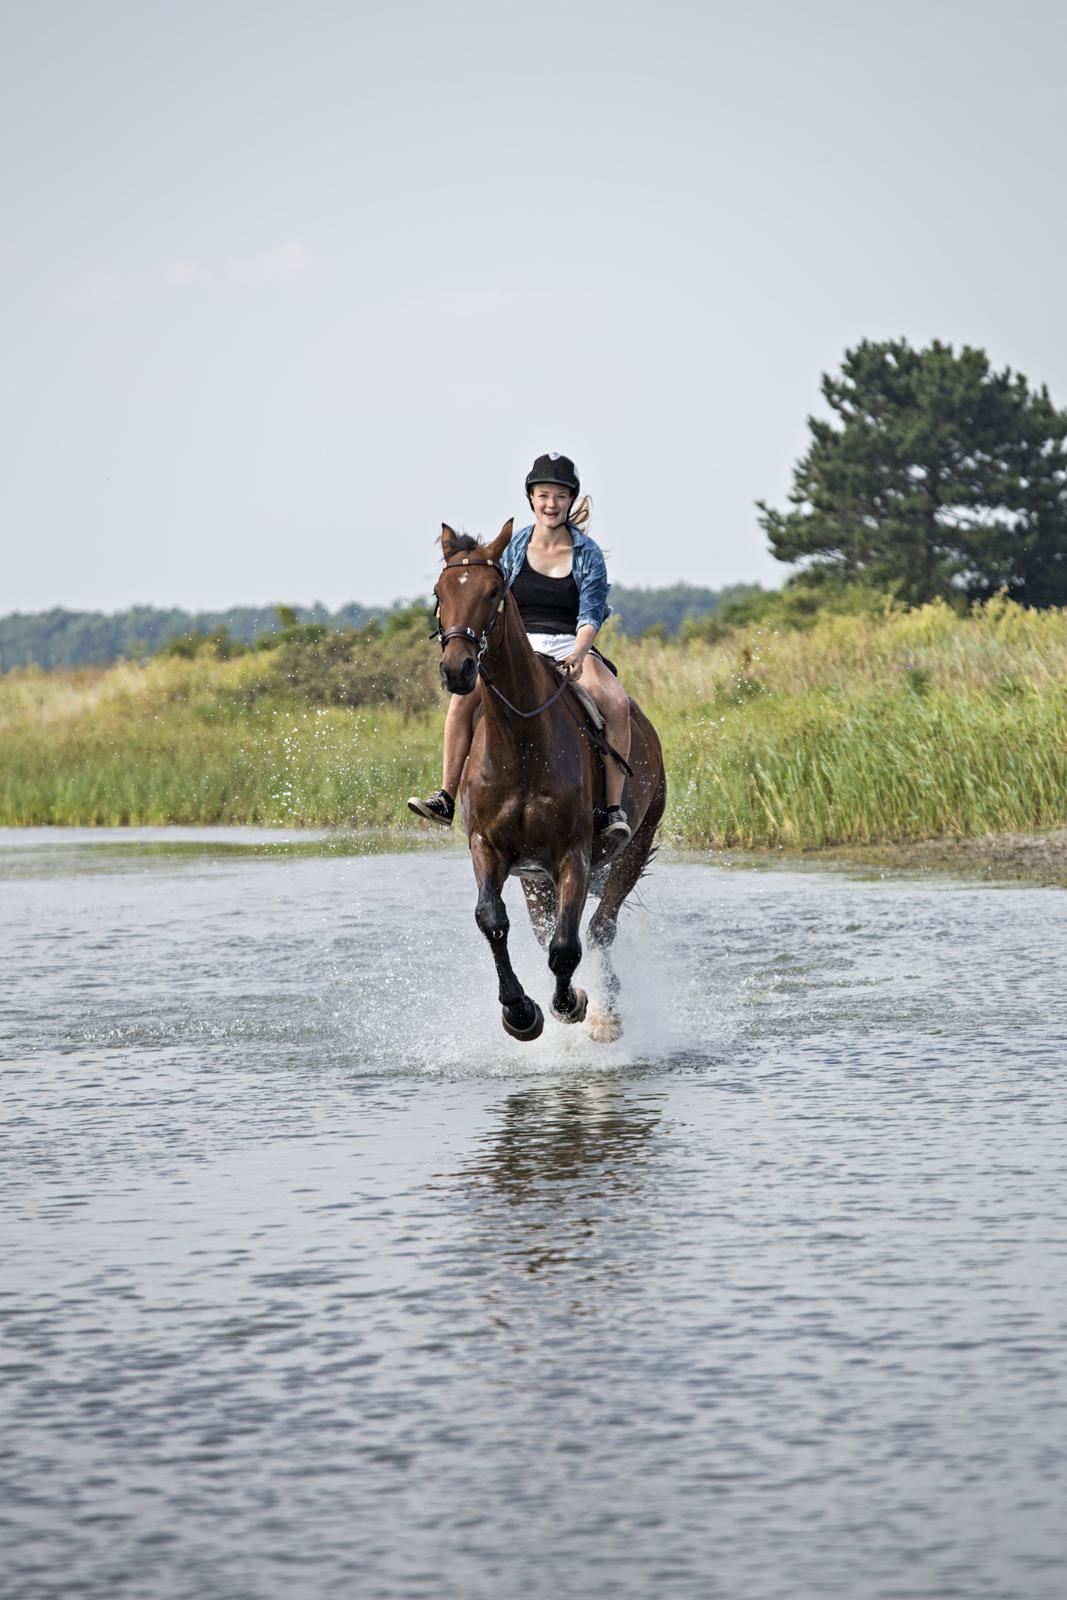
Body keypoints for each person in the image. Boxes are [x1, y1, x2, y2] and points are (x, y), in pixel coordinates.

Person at [408, 452, 633, 845]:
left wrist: (580, 654)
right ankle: (445, 795)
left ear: (570, 501)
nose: (551, 504)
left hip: (569, 644)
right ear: (531, 498)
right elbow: (492, 603)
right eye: (544, 495)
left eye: (560, 496)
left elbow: (591, 613)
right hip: (519, 649)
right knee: (462, 702)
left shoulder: (587, 554)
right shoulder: (513, 550)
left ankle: (613, 808)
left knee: (616, 703)